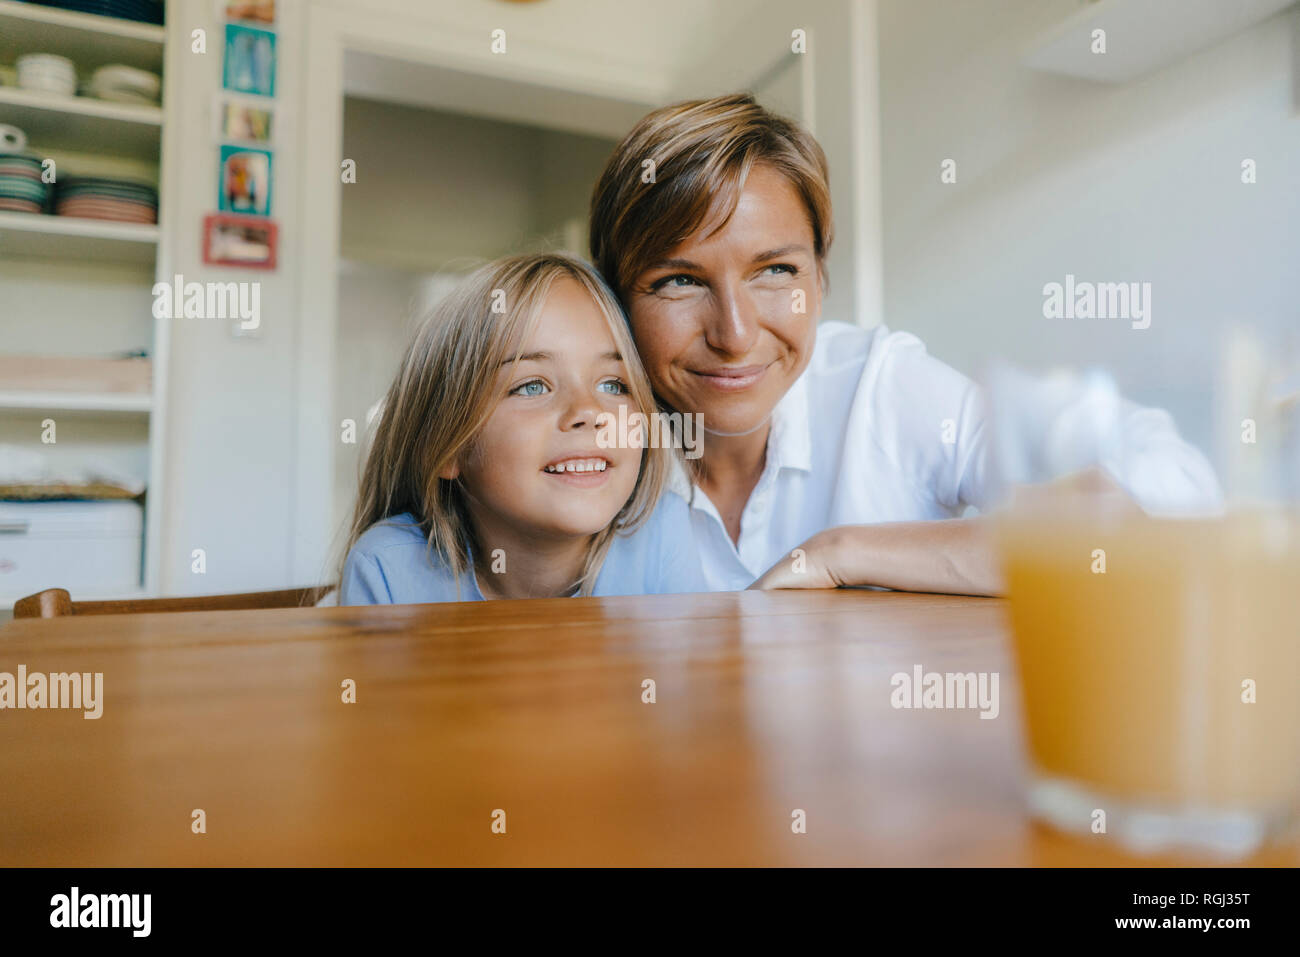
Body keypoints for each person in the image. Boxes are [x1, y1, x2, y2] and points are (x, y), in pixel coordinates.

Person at [587, 93, 1221, 595]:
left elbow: (1171, 500)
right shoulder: (583, 444)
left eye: (775, 272)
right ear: (616, 302)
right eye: (678, 281)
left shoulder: (879, 388)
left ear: (821, 276)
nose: (736, 333)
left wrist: (844, 552)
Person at [337, 252, 703, 604]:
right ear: (449, 448)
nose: (588, 411)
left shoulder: (662, 534)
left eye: (613, 384)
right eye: (532, 386)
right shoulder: (387, 568)